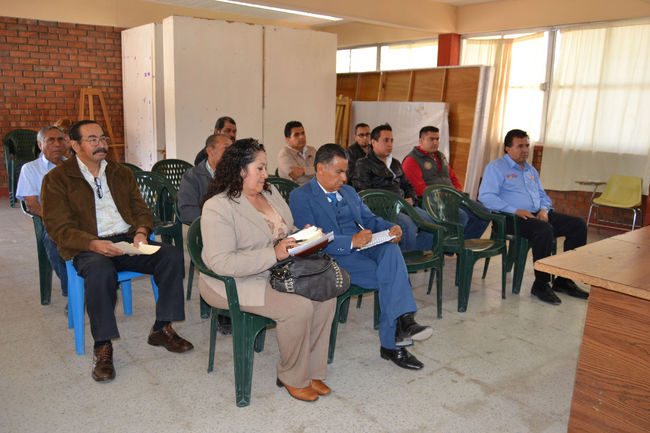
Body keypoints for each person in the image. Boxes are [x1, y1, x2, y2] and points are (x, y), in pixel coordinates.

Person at [41, 120, 193, 382]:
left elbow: (141, 209)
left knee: (170, 256)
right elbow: (58, 227)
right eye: (93, 139)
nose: (101, 144)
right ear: (75, 145)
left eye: (103, 138)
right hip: (87, 246)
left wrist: (141, 232)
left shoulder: (120, 172)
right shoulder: (57, 179)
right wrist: (92, 244)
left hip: (127, 241)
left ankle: (161, 328)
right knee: (100, 272)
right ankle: (102, 346)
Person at [198, 138, 336, 402]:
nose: (265, 174)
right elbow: (221, 263)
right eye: (259, 168)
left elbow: (286, 230)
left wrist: (304, 236)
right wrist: (274, 254)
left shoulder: (269, 193)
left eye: (265, 167)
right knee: (298, 308)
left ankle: (311, 371)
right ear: (240, 170)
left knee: (325, 295)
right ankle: (291, 375)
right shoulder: (218, 206)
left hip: (276, 269)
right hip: (232, 281)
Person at [290, 143, 433, 371]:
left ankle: (403, 325)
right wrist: (350, 241)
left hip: (365, 247)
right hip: (332, 257)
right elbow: (308, 240)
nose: (344, 178)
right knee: (393, 276)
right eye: (339, 172)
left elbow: (370, 220)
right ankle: (397, 335)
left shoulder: (348, 192)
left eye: (345, 172)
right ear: (320, 169)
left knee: (391, 251)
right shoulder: (301, 196)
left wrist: (390, 228)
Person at [478, 129, 590, 305]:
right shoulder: (496, 168)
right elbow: (486, 197)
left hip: (537, 215)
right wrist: (515, 210)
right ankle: (541, 284)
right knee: (544, 230)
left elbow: (543, 196)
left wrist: (544, 210)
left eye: (527, 146)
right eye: (520, 146)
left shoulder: (530, 170)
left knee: (578, 225)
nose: (525, 150)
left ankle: (564, 280)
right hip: (509, 218)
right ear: (507, 148)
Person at [178, 133, 234, 335]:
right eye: (227, 148)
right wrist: (214, 223)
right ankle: (222, 310)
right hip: (207, 231)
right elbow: (186, 210)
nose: (232, 153)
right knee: (223, 253)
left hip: (234, 229)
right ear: (210, 151)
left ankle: (248, 300)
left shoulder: (235, 175)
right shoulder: (193, 176)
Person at [353, 123, 434, 252]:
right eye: (386, 140)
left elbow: (407, 185)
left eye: (391, 140)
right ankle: (405, 260)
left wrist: (411, 198)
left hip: (404, 206)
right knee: (408, 225)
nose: (390, 144)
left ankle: (417, 254)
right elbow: (364, 194)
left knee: (430, 222)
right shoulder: (363, 164)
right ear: (373, 142)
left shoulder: (395, 163)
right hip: (384, 210)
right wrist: (395, 204)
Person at [402, 126, 489, 240]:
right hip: (431, 202)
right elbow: (418, 189)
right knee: (462, 216)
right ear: (421, 141)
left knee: (484, 213)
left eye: (437, 139)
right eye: (431, 139)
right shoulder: (411, 160)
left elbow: (452, 178)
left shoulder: (440, 156)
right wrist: (447, 196)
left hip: (452, 197)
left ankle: (463, 245)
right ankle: (452, 245)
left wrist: (457, 191)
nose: (435, 142)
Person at [16, 125, 68, 296]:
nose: (57, 144)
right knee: (55, 241)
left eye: (60, 139)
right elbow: (32, 205)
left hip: (78, 217)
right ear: (40, 145)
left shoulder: (74, 166)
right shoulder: (31, 169)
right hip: (52, 220)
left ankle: (101, 281)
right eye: (51, 140)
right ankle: (73, 292)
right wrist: (54, 220)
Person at [277, 121, 316, 185]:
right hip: (296, 189)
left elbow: (324, 170)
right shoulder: (284, 154)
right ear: (288, 140)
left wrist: (303, 171)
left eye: (303, 133)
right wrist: (314, 172)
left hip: (315, 188)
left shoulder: (312, 150)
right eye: (296, 135)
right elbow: (298, 179)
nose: (301, 137)